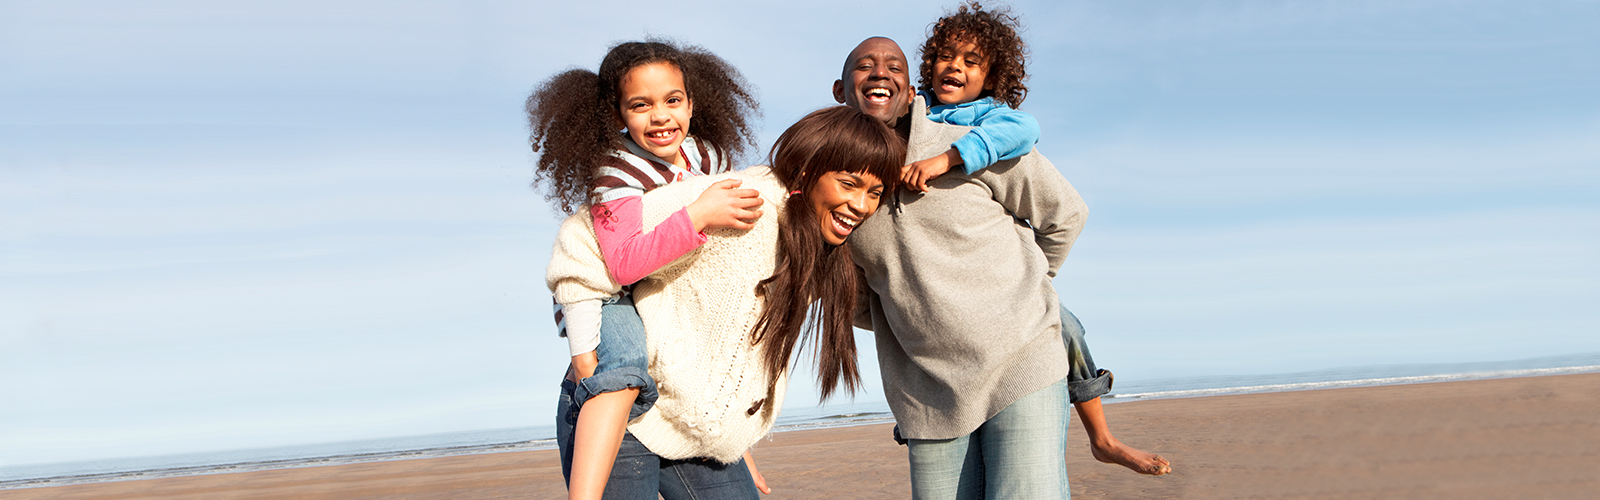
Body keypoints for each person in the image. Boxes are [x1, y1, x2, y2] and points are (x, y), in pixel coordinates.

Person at [543, 106, 905, 499]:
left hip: (691, 430)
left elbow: (732, 341)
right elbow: (583, 238)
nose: (862, 205)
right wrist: (584, 356)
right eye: (849, 184)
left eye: (874, 193)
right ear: (807, 169)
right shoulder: (742, 200)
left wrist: (736, 438)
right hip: (627, 412)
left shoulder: (821, 249)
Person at [525, 39, 765, 499]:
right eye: (641, 105)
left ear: (692, 105)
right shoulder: (616, 172)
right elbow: (624, 263)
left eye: (673, 101)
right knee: (623, 367)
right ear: (618, 116)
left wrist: (735, 444)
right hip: (607, 297)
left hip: (665, 307)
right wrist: (698, 214)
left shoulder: (708, 158)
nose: (660, 116)